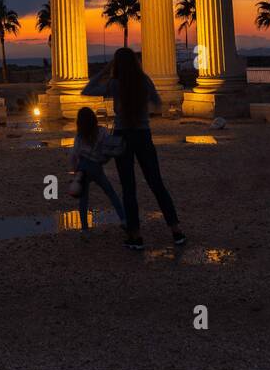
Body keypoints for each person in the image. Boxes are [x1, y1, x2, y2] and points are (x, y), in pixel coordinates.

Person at [82, 47, 185, 250]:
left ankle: (135, 236)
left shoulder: (114, 84)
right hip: (143, 135)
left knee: (128, 187)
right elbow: (157, 102)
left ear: (117, 64)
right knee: (156, 183)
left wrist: (104, 71)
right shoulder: (144, 81)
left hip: (122, 137)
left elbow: (87, 90)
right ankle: (176, 231)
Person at [69, 107, 125, 237]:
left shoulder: (79, 135)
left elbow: (74, 153)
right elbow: (107, 147)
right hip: (96, 166)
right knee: (111, 193)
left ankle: (84, 228)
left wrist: (74, 171)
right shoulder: (102, 131)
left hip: (83, 168)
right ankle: (123, 218)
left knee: (83, 199)